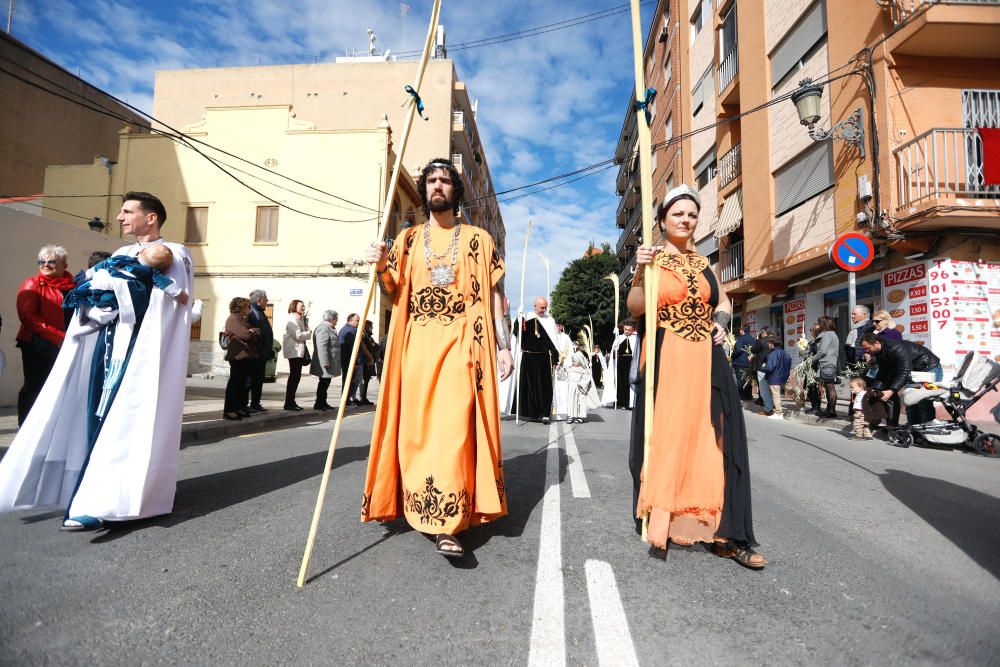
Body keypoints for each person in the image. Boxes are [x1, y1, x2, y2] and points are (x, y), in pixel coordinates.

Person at [0, 191, 194, 531]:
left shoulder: (176, 254)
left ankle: (107, 501)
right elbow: (92, 286)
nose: (120, 217)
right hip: (106, 347)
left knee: (126, 424)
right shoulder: (120, 253)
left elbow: (168, 301)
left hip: (140, 355)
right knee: (97, 417)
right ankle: (89, 493)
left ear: (151, 218)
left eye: (127, 211)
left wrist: (119, 290)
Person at [363, 157, 514, 558]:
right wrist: (380, 264)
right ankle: (417, 505)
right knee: (418, 433)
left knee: (452, 430)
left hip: (462, 342)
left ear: (456, 190)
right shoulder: (408, 239)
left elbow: (496, 297)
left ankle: (447, 523)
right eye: (430, 180)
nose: (437, 186)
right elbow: (392, 289)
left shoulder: (479, 239)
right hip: (416, 346)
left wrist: (504, 346)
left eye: (445, 181)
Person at [627, 184, 764, 569]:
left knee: (721, 438)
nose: (686, 220)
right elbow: (636, 308)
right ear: (663, 221)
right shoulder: (651, 259)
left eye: (691, 215)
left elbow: (721, 299)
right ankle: (665, 518)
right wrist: (639, 270)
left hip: (707, 354)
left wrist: (721, 321)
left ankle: (729, 533)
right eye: (678, 214)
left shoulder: (705, 263)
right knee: (671, 436)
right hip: (667, 355)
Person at [15, 244, 76, 425]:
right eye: (42, 261)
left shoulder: (73, 286)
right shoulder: (32, 284)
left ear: (64, 265)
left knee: (61, 388)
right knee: (36, 387)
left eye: (51, 261)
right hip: (37, 344)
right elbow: (28, 317)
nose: (46, 265)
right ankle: (26, 428)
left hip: (66, 344)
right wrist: (58, 338)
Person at [859, 332, 942, 426]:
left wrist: (891, 390)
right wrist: (875, 388)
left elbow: (904, 371)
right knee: (910, 402)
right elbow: (883, 371)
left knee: (923, 402)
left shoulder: (896, 348)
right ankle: (913, 431)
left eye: (868, 348)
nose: (867, 351)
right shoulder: (879, 352)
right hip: (914, 373)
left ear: (877, 343)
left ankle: (927, 433)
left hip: (929, 369)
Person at [512, 297, 558, 421]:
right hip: (529, 356)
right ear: (535, 306)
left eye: (545, 307)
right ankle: (532, 413)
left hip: (544, 357)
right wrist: (519, 318)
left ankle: (545, 413)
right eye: (542, 307)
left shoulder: (550, 320)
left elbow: (554, 341)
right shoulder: (527, 317)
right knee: (529, 387)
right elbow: (518, 333)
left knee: (545, 387)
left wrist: (555, 359)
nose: (544, 310)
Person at [222, 297, 259, 420]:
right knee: (235, 383)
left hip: (246, 355)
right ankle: (230, 410)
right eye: (247, 306)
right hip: (238, 356)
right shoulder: (233, 319)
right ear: (241, 307)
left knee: (244, 383)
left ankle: (239, 407)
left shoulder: (242, 319)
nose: (249, 309)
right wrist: (252, 333)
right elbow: (246, 335)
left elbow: (256, 331)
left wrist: (253, 331)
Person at [246, 289, 274, 412]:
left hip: (262, 353)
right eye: (265, 298)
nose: (267, 300)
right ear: (259, 300)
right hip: (256, 353)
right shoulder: (252, 312)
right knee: (251, 380)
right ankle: (246, 405)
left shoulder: (259, 312)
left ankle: (255, 403)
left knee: (258, 380)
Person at [309, 310, 341, 411]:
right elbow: (322, 346)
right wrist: (325, 362)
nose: (337, 321)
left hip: (329, 361)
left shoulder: (329, 328)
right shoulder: (323, 328)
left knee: (326, 382)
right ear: (332, 319)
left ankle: (323, 402)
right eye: (336, 319)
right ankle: (319, 403)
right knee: (323, 382)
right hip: (325, 362)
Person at [283, 299, 311, 411]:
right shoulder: (292, 319)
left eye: (304, 306)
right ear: (294, 307)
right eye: (301, 306)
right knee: (294, 376)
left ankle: (291, 401)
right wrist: (309, 332)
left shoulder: (300, 319)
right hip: (293, 351)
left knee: (296, 376)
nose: (303, 308)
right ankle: (289, 402)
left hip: (298, 351)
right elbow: (298, 336)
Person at [814, 316, 841, 418]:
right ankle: (830, 409)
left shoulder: (827, 335)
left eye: (820, 323)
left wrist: (812, 359)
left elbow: (823, 351)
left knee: (829, 387)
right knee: (829, 387)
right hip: (830, 362)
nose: (818, 325)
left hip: (827, 363)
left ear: (824, 324)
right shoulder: (832, 334)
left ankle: (831, 411)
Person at [566, 342, 599, 424]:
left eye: (575, 361)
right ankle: (570, 416)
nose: (573, 362)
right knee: (571, 402)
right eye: (573, 361)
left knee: (581, 403)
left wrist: (581, 384)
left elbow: (587, 379)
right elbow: (565, 376)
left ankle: (580, 416)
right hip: (572, 389)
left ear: (580, 361)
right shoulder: (570, 369)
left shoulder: (584, 371)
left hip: (580, 389)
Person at [762, 338, 791, 420]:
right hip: (784, 377)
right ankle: (801, 402)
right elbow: (789, 364)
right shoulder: (785, 353)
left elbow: (770, 368)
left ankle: (778, 413)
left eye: (769, 343)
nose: (768, 345)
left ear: (772, 344)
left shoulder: (772, 355)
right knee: (791, 391)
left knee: (776, 395)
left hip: (774, 378)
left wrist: (764, 367)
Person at [338, 313, 364, 406]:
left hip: (345, 360)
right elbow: (354, 348)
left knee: (347, 380)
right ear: (350, 320)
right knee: (349, 381)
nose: (358, 323)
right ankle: (346, 401)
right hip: (350, 361)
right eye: (357, 321)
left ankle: (347, 399)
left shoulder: (343, 329)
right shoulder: (352, 331)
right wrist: (357, 362)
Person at [612, 322, 637, 409]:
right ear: (623, 329)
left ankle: (629, 403)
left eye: (629, 330)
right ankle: (621, 402)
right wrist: (615, 347)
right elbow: (614, 350)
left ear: (632, 330)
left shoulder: (635, 339)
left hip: (631, 361)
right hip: (621, 361)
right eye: (625, 329)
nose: (627, 331)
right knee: (621, 381)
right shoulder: (619, 338)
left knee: (629, 381)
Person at [731, 326, 756, 401]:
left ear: (742, 331)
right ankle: (748, 395)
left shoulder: (741, 339)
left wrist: (732, 355)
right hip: (749, 362)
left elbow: (738, 350)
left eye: (740, 330)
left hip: (740, 362)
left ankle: (742, 396)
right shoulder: (753, 339)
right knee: (748, 379)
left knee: (740, 380)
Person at [749, 327, 772, 408]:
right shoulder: (772, 340)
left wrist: (757, 340)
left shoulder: (760, 341)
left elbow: (753, 350)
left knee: (761, 384)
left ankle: (762, 400)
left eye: (761, 333)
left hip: (761, 364)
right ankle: (769, 400)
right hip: (771, 364)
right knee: (770, 384)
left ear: (763, 333)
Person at [359, 320, 378, 406]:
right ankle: (362, 398)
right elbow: (365, 347)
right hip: (364, 361)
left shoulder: (368, 336)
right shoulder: (363, 335)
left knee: (366, 380)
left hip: (368, 361)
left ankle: (364, 397)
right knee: (363, 380)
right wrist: (372, 345)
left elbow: (375, 346)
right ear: (367, 326)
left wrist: (373, 345)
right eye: (371, 326)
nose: (372, 328)